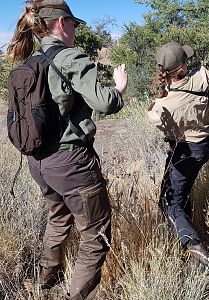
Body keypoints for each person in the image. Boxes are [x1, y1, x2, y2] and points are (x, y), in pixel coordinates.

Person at [7, 0, 127, 299]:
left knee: (58, 219)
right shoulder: (70, 58)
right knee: (96, 235)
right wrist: (119, 88)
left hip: (39, 163)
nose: (74, 30)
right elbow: (106, 103)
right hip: (71, 163)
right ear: (62, 24)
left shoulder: (32, 60)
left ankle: (44, 284)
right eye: (73, 24)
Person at [148, 41, 209, 267]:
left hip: (183, 150)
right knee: (181, 193)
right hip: (203, 146)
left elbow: (157, 122)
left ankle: (194, 248)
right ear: (182, 68)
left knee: (168, 202)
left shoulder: (163, 103)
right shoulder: (204, 77)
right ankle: (188, 225)